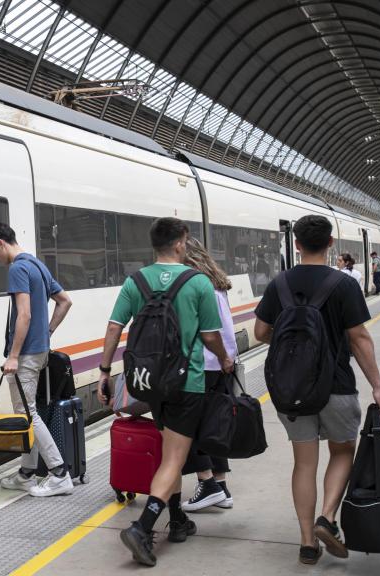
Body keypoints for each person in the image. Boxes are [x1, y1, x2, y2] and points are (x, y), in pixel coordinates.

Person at [95, 217, 234, 567]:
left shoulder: (136, 281)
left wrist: (105, 371)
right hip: (188, 382)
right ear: (179, 243)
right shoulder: (198, 282)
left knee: (170, 452)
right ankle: (143, 528)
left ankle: (178, 521)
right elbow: (210, 336)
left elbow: (114, 328)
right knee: (174, 458)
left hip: (151, 381)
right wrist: (224, 358)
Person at [254, 215, 380, 566]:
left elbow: (260, 332)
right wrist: (377, 386)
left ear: (296, 244)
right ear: (331, 244)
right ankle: (327, 518)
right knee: (343, 451)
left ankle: (305, 543)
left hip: (290, 390)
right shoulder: (343, 285)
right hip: (337, 387)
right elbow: (359, 338)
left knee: (304, 463)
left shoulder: (279, 284)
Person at [0, 224, 73, 495]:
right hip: (39, 351)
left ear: (0, 243)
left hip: (26, 355)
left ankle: (59, 474)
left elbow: (24, 315)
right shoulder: (37, 265)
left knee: (28, 414)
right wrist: (48, 332)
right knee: (27, 413)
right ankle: (26, 473)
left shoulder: (18, 269)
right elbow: (65, 301)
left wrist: (13, 356)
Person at [178, 237, 237, 513]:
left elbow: (207, 331)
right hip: (222, 363)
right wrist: (228, 358)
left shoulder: (196, 286)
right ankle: (222, 488)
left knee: (186, 427)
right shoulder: (216, 281)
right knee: (215, 426)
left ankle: (207, 483)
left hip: (203, 364)